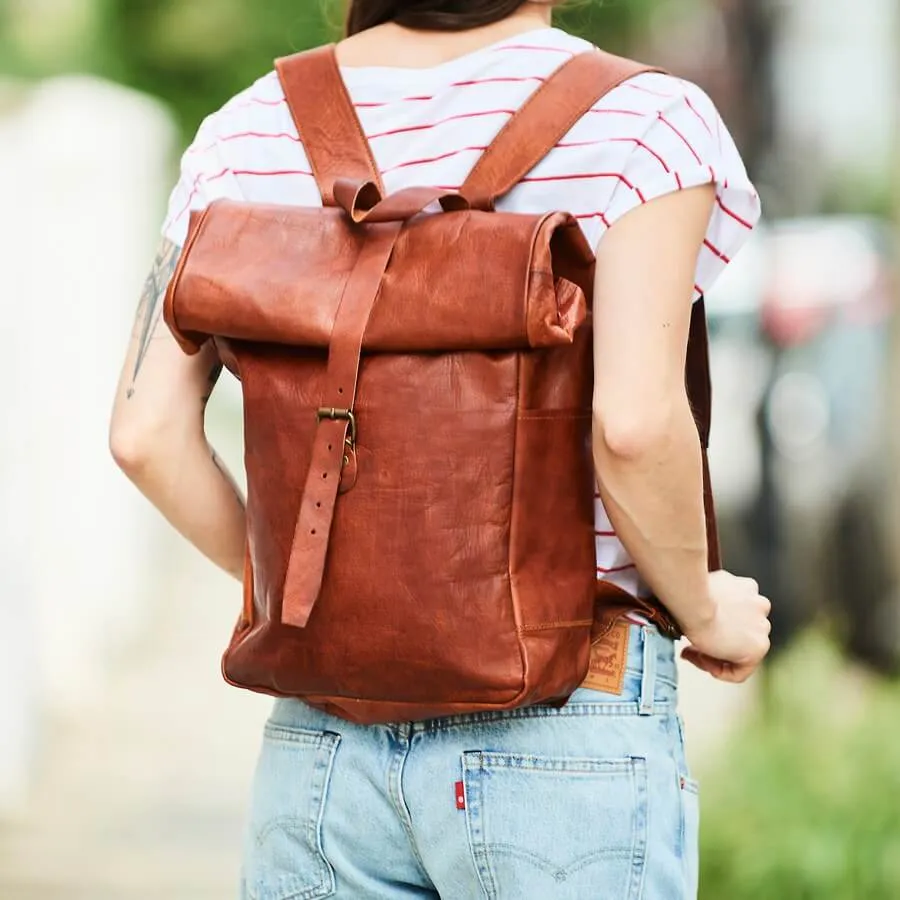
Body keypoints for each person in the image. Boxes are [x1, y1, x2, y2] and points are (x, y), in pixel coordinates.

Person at [109, 1, 771, 897]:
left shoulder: (241, 134)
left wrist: (322, 599)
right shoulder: (646, 121)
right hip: (563, 715)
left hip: (324, 743)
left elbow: (146, 435)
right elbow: (635, 428)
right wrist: (706, 610)